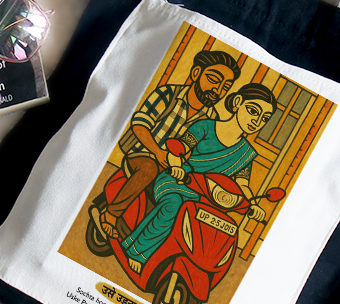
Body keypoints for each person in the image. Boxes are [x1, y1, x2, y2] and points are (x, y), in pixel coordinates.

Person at [121, 83, 277, 274]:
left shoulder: (246, 153)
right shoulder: (205, 126)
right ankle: (136, 251)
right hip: (178, 181)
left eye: (264, 118)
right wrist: (176, 166)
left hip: (208, 196)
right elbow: (179, 150)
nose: (257, 121)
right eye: (253, 111)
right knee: (173, 205)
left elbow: (242, 184)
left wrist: (253, 205)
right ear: (237, 102)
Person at [99, 50, 241, 239]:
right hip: (143, 154)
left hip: (175, 170)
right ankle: (110, 214)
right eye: (214, 80)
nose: (218, 90)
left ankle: (146, 238)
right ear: (196, 73)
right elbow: (140, 124)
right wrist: (158, 152)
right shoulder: (168, 94)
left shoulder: (212, 118)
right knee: (149, 169)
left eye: (225, 87)